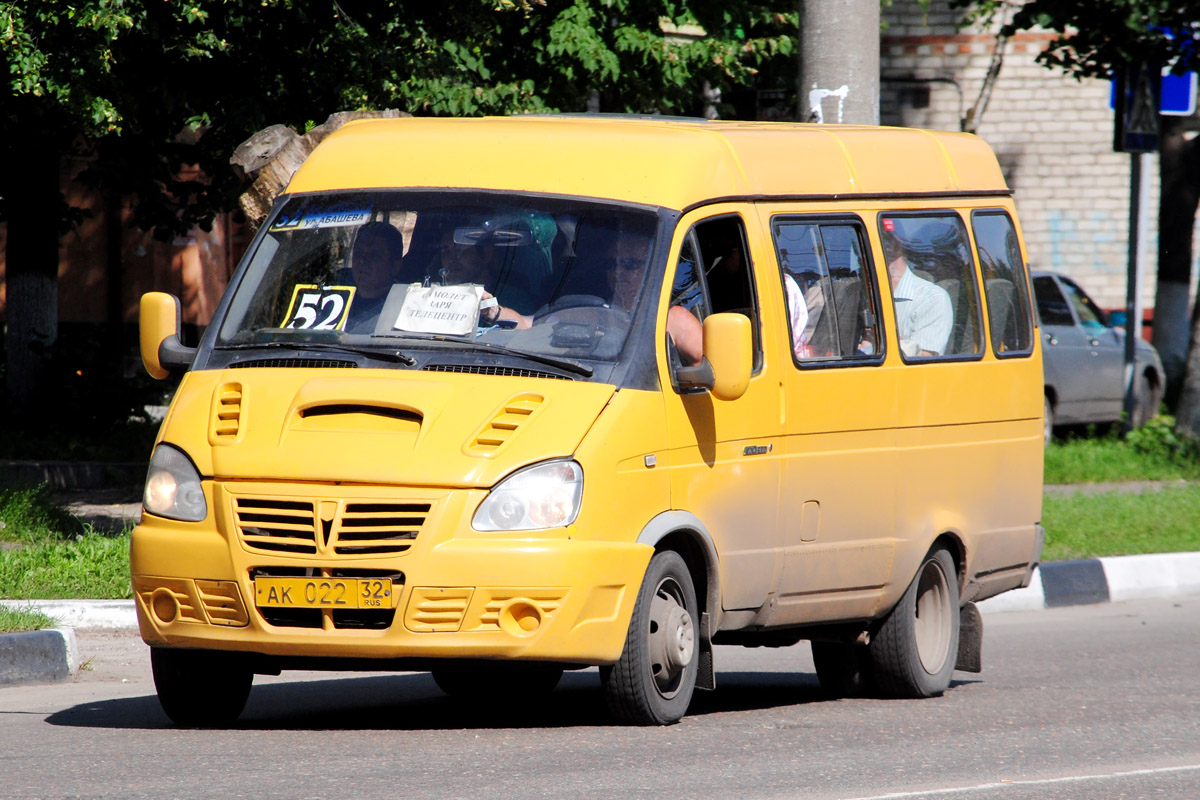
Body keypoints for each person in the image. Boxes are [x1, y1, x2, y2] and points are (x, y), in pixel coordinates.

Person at [882, 233, 953, 357]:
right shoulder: (865, 296)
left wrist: (872, 349)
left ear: (895, 246)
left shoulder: (932, 298)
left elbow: (924, 357)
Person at [346, 221, 405, 331]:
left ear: (395, 267)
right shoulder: (336, 288)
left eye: (373, 255)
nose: (362, 260)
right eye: (359, 253)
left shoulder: (403, 308)